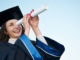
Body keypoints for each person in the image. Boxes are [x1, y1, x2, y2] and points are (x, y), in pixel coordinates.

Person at [0, 6, 65, 60]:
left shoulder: (31, 46)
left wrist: (35, 27)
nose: (17, 26)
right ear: (5, 31)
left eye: (19, 23)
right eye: (11, 25)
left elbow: (51, 57)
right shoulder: (2, 47)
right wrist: (27, 30)